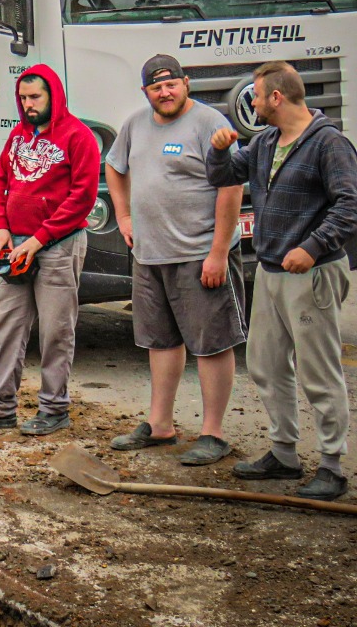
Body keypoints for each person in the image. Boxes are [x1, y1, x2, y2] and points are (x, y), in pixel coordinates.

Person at [207, 61, 357, 500]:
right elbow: (221, 176)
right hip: (273, 271)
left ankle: (332, 465)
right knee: (267, 366)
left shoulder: (329, 144)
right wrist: (218, 149)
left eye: (256, 95)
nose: (251, 103)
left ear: (276, 97)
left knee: (318, 369)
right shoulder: (266, 140)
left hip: (311, 274)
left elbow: (350, 205)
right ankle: (284, 454)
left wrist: (312, 247)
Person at [105, 55, 246, 465]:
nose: (164, 93)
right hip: (150, 255)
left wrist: (218, 252)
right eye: (155, 87)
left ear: (186, 83)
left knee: (211, 344)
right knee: (160, 341)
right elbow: (115, 168)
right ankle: (161, 425)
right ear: (145, 91)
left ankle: (213, 434)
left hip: (199, 253)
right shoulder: (135, 124)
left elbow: (231, 188)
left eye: (171, 85)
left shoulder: (209, 123)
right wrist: (124, 214)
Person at [0, 66, 100, 436]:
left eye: (35, 97)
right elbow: (1, 180)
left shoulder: (79, 137)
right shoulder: (19, 135)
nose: (29, 104)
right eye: (23, 98)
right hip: (16, 244)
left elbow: (82, 198)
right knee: (6, 327)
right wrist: (0, 226)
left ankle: (54, 408)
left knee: (56, 330)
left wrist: (39, 239)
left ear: (53, 94)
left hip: (58, 246)